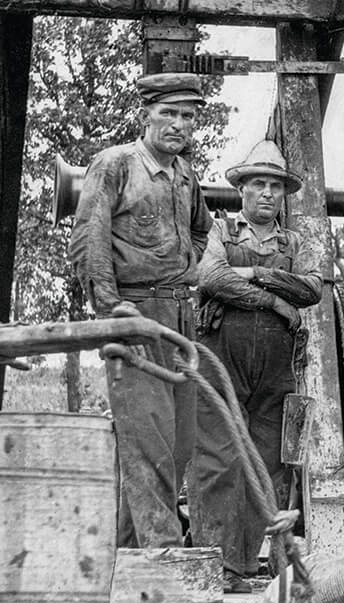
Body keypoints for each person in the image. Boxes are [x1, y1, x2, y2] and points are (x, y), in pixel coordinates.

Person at [69, 73, 213, 548]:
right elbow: (89, 239)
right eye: (168, 113)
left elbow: (199, 230)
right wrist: (114, 309)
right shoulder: (115, 165)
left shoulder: (185, 175)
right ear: (145, 114)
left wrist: (186, 264)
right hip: (136, 316)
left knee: (177, 447)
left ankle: (128, 563)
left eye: (187, 116)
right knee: (148, 447)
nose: (177, 124)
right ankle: (167, 561)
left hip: (180, 319)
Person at [189, 140, 321, 591]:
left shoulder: (294, 241)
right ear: (242, 189)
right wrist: (273, 301)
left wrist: (255, 275)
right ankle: (213, 564)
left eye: (276, 186)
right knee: (218, 458)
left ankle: (244, 566)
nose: (267, 193)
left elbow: (311, 289)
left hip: (276, 363)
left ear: (284, 195)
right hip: (222, 354)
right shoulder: (221, 232)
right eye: (258, 184)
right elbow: (211, 277)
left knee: (266, 463)